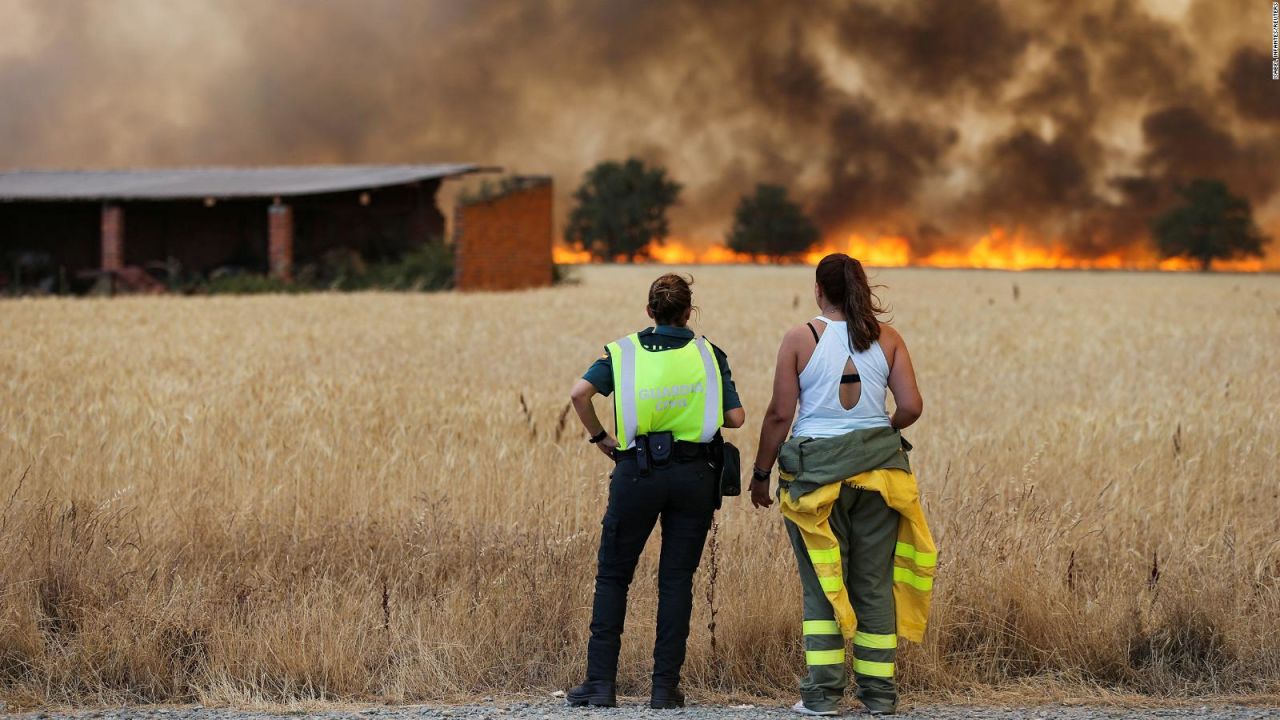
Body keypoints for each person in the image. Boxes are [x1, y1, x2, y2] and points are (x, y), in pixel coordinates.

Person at [749, 254, 937, 717]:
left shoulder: (800, 338)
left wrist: (759, 474)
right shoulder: (887, 339)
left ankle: (822, 696)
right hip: (881, 478)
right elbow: (911, 406)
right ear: (861, 288)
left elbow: (779, 414)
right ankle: (878, 697)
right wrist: (881, 431)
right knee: (872, 584)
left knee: (821, 583)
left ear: (819, 290)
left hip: (816, 482)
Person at [565, 273, 745, 710]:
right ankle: (664, 690)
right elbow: (736, 418)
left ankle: (600, 685)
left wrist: (601, 439)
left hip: (637, 473)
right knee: (676, 581)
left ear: (650, 312)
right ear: (688, 313)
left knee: (614, 576)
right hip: (695, 476)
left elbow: (579, 394)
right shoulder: (709, 354)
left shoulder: (622, 353)